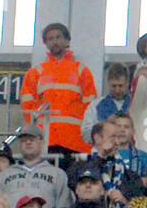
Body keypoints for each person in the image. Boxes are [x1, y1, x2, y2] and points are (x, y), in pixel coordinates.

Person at [20, 22, 97, 159]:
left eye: (58, 37)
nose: (54, 42)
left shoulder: (81, 71)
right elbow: (27, 108)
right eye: (50, 39)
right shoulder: (35, 73)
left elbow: (90, 106)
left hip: (74, 141)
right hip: (45, 140)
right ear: (45, 43)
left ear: (67, 40)